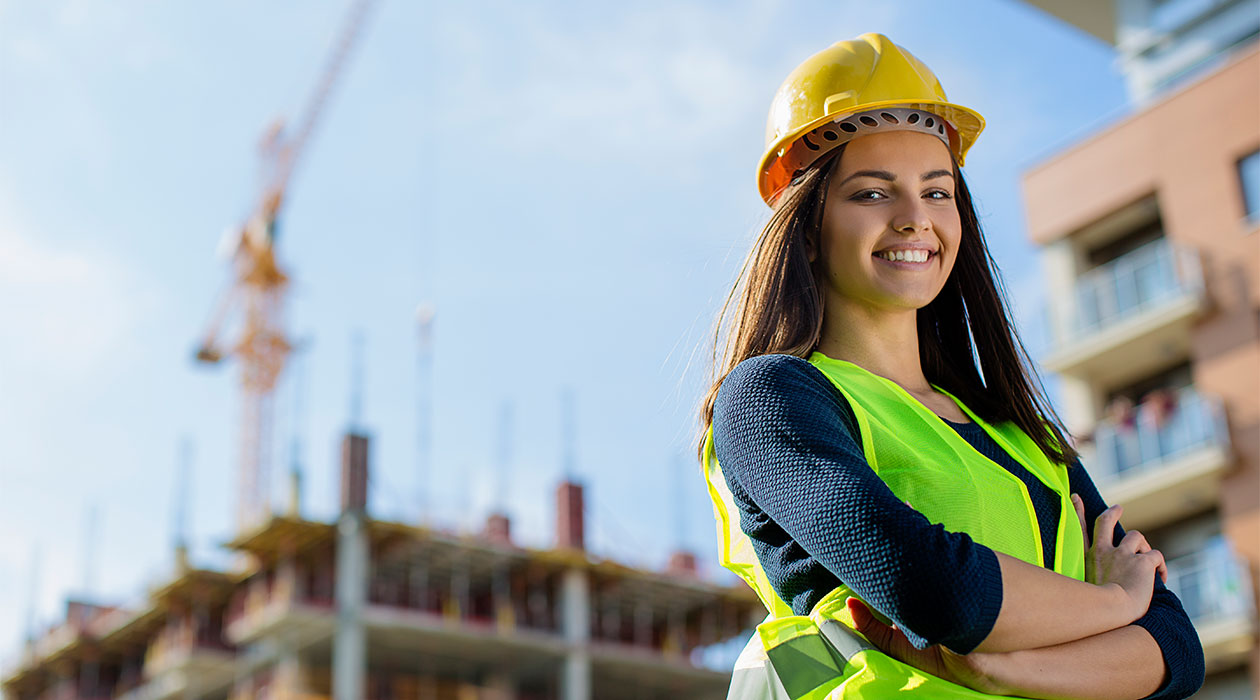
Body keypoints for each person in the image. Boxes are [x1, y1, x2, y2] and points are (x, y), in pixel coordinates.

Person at [696, 33, 1204, 699]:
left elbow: (1177, 653)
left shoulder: (1027, 439)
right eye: (873, 194)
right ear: (808, 229)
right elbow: (934, 588)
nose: (915, 219)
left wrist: (1010, 669)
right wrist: (1111, 605)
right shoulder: (770, 398)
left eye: (937, 192)